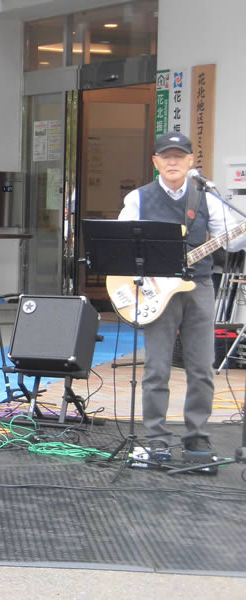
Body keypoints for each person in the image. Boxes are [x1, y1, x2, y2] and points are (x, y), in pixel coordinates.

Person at [118, 132, 246, 458]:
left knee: (202, 367)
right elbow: (119, 245)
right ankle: (156, 437)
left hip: (199, 286)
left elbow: (230, 243)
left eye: (179, 156)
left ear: (191, 162)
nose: (173, 161)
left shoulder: (208, 197)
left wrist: (240, 231)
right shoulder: (138, 199)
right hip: (155, 289)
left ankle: (197, 435)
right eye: (166, 156)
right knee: (156, 368)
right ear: (156, 162)